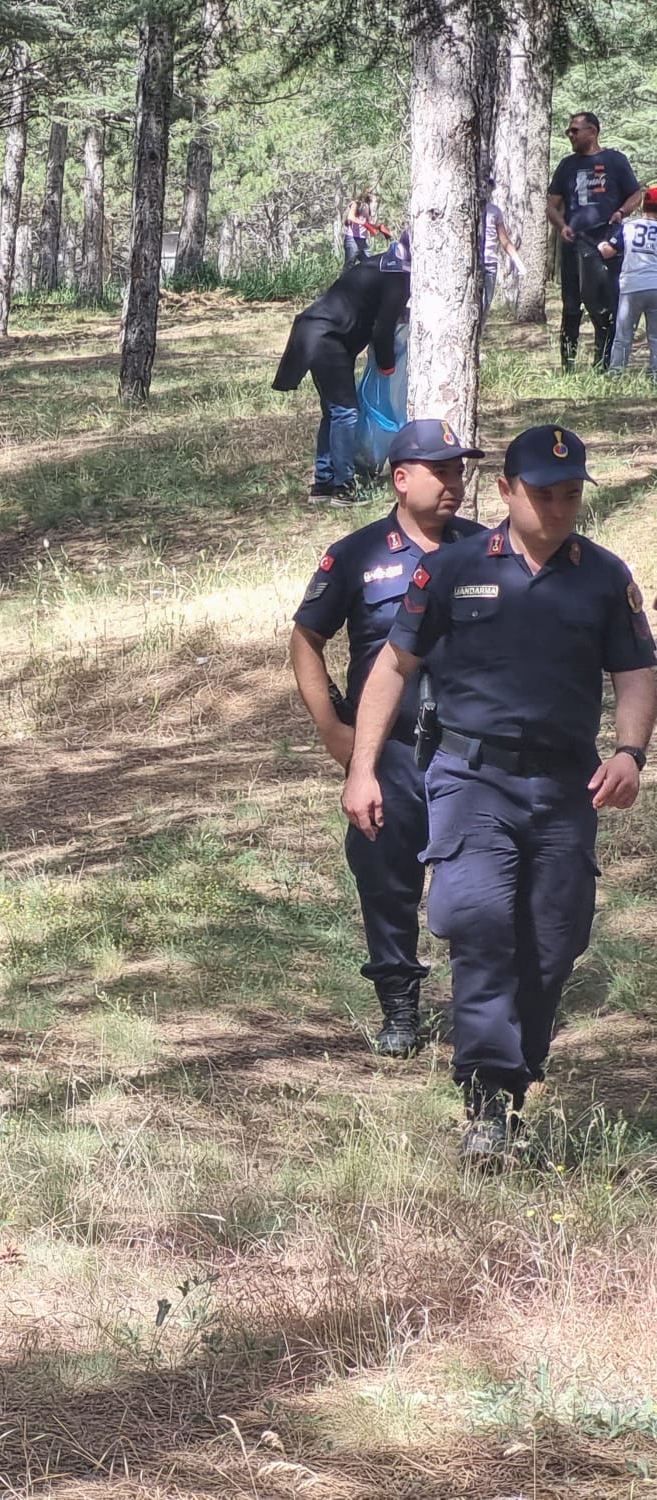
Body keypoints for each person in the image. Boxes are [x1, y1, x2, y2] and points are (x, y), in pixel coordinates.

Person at [344, 424, 657, 1170]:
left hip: (564, 783)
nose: (557, 508)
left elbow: (639, 671)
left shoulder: (605, 577)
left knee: (555, 941)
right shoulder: (452, 570)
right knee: (480, 924)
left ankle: (516, 1073)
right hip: (468, 774)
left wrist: (630, 752)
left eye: (572, 494)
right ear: (508, 491)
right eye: (542, 494)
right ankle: (489, 1101)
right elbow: (392, 667)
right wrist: (362, 768)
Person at [290, 419, 486, 1058]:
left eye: (460, 470)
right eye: (442, 470)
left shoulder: (488, 550)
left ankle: (482, 1006)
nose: (455, 482)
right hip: (391, 749)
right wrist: (335, 733)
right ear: (402, 479)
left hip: (469, 746)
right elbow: (306, 639)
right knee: (385, 876)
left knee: (481, 879)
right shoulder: (357, 553)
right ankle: (400, 1007)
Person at [270, 250, 411, 503]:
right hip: (327, 339)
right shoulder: (398, 277)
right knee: (345, 413)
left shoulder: (381, 264)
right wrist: (387, 366)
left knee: (334, 412)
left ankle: (323, 484)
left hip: (313, 332)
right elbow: (383, 329)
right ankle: (344, 488)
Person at [547, 111, 645, 370]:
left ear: (592, 131)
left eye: (575, 130)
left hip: (606, 243)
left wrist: (621, 212)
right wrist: (562, 225)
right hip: (574, 244)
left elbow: (636, 194)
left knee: (605, 307)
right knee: (570, 306)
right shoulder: (567, 165)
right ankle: (568, 365)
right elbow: (551, 205)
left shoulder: (614, 160)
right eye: (569, 131)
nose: (570, 135)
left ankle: (602, 364)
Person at [600, 192, 657, 376]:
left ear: (643, 207)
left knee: (623, 336)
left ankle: (616, 373)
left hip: (632, 287)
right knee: (655, 337)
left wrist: (600, 245)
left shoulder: (628, 228)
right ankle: (655, 375)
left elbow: (608, 251)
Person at [479, 184, 518, 334]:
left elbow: (504, 240)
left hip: (490, 263)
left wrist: (518, 261)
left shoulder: (494, 211)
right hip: (473, 265)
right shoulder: (468, 208)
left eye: (489, 186)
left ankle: (479, 338)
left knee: (486, 302)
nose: (486, 189)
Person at [342, 195, 388, 268]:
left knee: (370, 263)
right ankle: (344, 279)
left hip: (362, 241)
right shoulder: (356, 204)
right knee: (349, 265)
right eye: (369, 193)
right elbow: (351, 217)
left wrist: (378, 228)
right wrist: (364, 224)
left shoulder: (367, 206)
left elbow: (365, 223)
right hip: (352, 239)